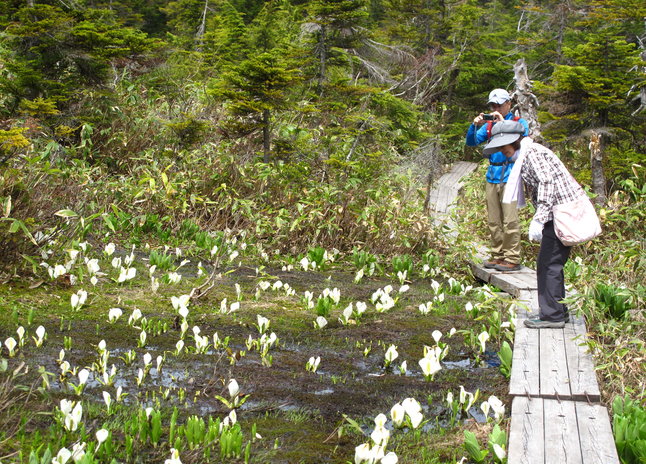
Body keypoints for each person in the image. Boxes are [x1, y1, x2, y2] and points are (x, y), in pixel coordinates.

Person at [483, 120, 588, 328]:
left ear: (514, 141)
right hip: (556, 214)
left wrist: (539, 219)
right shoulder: (526, 154)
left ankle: (552, 316)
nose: (502, 151)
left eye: (503, 146)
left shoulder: (533, 154)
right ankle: (558, 310)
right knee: (549, 264)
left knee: (548, 265)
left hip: (559, 213)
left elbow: (546, 182)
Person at [466, 89, 529, 272]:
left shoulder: (518, 122)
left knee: (510, 219)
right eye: (493, 106)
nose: (496, 109)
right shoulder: (488, 126)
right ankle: (497, 255)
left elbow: (523, 135)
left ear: (508, 104)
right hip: (492, 174)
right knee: (494, 219)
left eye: (499, 105)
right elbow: (471, 142)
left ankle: (512, 257)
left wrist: (504, 124)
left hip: (510, 174)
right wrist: (475, 125)